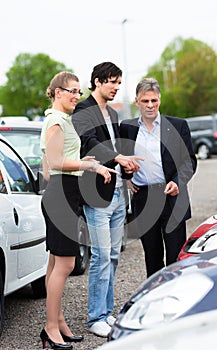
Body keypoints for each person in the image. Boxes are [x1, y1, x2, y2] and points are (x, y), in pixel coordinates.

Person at [40, 71, 118, 349]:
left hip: (62, 193)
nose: (76, 96)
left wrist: (78, 161)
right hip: (62, 197)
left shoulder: (57, 119)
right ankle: (51, 327)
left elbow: (48, 168)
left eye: (78, 92)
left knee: (54, 263)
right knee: (66, 264)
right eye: (71, 91)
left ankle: (58, 322)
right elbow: (55, 161)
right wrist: (89, 165)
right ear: (57, 92)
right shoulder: (57, 120)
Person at [72, 62, 142, 337]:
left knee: (113, 255)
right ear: (98, 82)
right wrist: (116, 158)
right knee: (100, 255)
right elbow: (89, 143)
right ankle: (95, 318)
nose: (116, 88)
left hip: (116, 190)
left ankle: (107, 312)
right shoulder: (83, 110)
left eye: (119, 83)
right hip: (95, 192)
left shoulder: (113, 114)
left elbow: (116, 149)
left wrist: (126, 175)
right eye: (112, 82)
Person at [120, 77, 197, 278]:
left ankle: (178, 302)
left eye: (154, 100)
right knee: (152, 258)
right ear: (137, 102)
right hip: (143, 198)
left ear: (159, 100)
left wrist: (178, 182)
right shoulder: (127, 128)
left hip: (172, 196)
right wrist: (127, 176)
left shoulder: (178, 126)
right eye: (145, 101)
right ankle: (154, 303)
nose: (150, 105)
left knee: (176, 258)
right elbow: (123, 161)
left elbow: (189, 161)